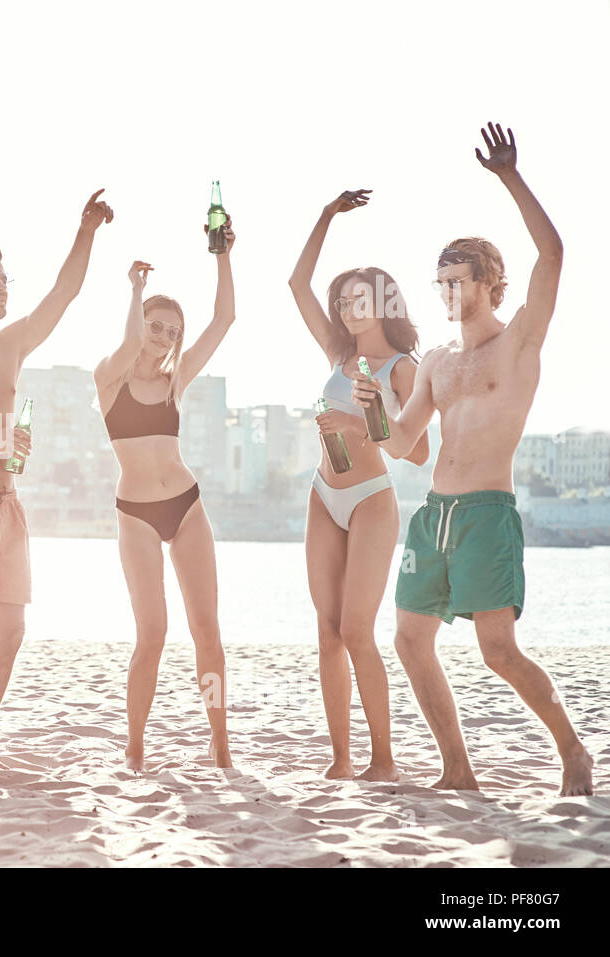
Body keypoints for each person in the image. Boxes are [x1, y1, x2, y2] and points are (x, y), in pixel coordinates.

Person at [354, 123, 593, 796]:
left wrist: (510, 176)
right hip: (433, 513)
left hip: (488, 511)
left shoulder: (518, 343)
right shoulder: (435, 361)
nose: (450, 291)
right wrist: (372, 407)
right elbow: (401, 443)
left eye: (460, 280)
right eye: (441, 282)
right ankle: (457, 768)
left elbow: (552, 255)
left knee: (497, 652)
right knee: (408, 639)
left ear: (489, 283)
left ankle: (572, 749)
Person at [0, 189, 114, 770]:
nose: (2, 287)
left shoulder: (11, 345)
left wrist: (86, 231)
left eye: (4, 278)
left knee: (10, 628)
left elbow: (63, 294)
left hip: (7, 501)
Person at [288, 188, 430, 781]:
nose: (349, 309)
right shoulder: (337, 352)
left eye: (360, 300)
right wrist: (325, 217)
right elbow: (297, 284)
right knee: (325, 634)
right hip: (324, 497)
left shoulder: (404, 368)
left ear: (384, 304)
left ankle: (384, 761)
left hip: (371, 501)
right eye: (343, 301)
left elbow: (416, 451)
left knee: (355, 630)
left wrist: (360, 421)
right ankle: (342, 760)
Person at [94, 218, 237, 772]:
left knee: (207, 630)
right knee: (151, 633)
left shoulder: (176, 382)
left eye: (173, 332)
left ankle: (220, 741)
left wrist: (223, 254)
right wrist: (134, 290)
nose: (165, 338)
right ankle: (135, 746)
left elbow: (225, 319)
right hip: (135, 514)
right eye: (158, 327)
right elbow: (130, 342)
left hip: (186, 504)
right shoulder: (108, 380)